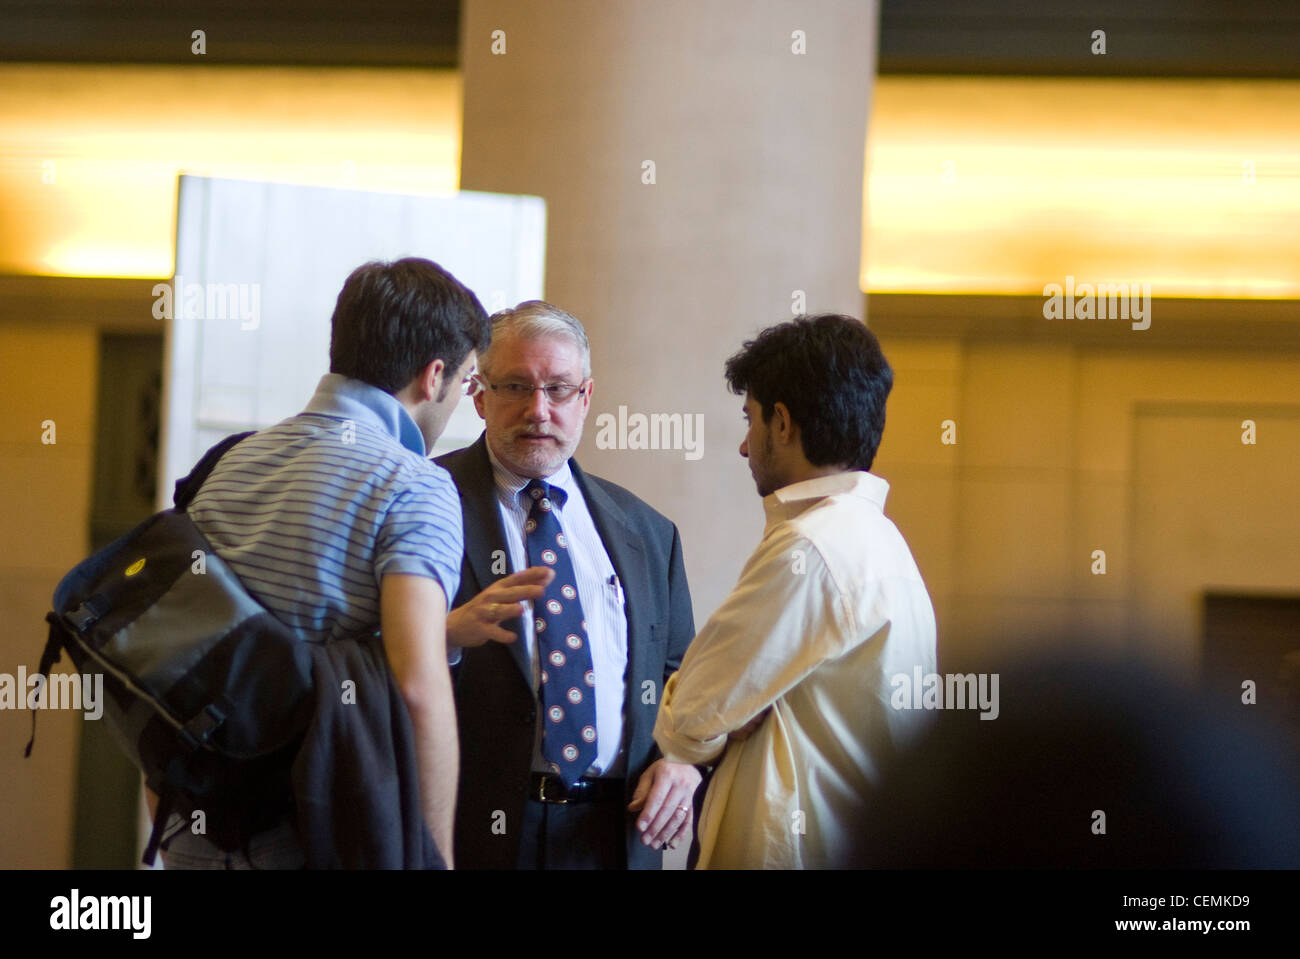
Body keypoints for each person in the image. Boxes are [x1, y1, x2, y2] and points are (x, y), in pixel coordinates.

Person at [159, 257, 488, 868]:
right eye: (470, 383)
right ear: (434, 375)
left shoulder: (230, 462)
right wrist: (434, 859)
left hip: (195, 832)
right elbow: (418, 687)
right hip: (314, 831)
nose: (462, 404)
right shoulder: (413, 485)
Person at [652, 313, 937, 868]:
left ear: (781, 422)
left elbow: (687, 722)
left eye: (750, 419)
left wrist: (722, 720)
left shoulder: (811, 547)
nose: (742, 446)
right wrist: (733, 713)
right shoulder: (881, 540)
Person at [436, 300, 699, 869]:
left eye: (558, 389)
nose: (538, 410)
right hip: (474, 833)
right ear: (478, 396)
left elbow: (682, 677)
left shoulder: (650, 533)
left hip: (615, 833)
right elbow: (362, 650)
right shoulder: (422, 501)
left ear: (585, 398)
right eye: (515, 387)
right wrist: (447, 633)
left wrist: (683, 760)